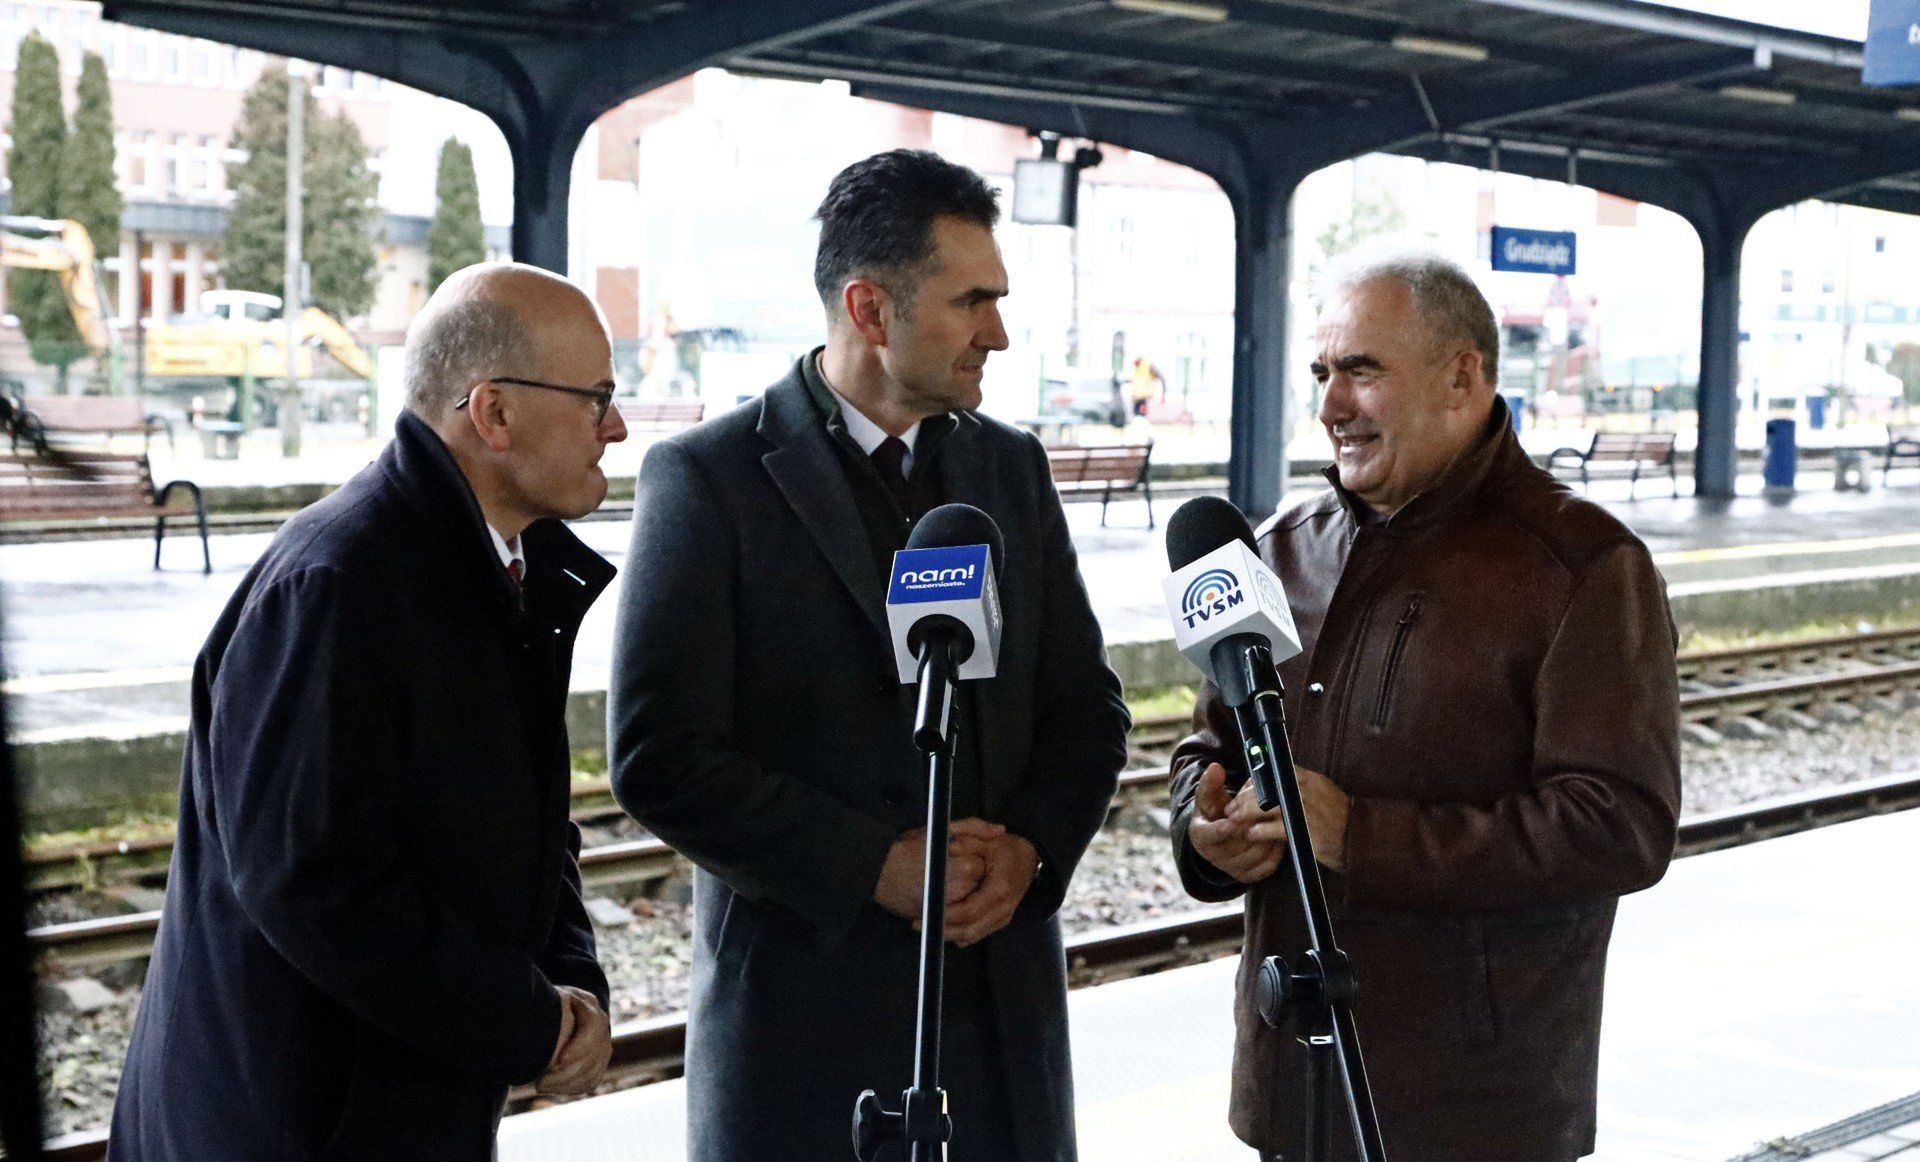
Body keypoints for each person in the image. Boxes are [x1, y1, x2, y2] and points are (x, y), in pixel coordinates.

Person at [609, 149, 1131, 1161]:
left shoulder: (1011, 468)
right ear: (868, 308)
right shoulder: (708, 480)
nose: (998, 333)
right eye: (971, 301)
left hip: (1001, 1033)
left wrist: (1029, 851)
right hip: (804, 1041)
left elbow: (1086, 706)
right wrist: (872, 867)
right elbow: (657, 754)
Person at [1169, 248, 1680, 1161]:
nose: (1331, 406)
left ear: (1461, 377)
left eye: (1361, 371)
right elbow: (1209, 744)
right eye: (1321, 374)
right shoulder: (1281, 549)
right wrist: (1202, 827)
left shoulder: (1582, 567)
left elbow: (1619, 825)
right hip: (1292, 1091)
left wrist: (1362, 836)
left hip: (1472, 1110)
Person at [111, 263, 627, 1160]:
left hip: (380, 1110)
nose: (615, 429)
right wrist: (526, 1021)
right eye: (597, 400)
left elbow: (531, 826)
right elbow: (315, 884)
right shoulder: (339, 582)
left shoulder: (499, 568)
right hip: (290, 1129)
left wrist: (569, 981)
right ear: (494, 413)